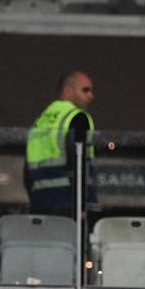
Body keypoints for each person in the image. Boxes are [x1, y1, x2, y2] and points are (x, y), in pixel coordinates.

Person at [25, 70, 96, 215]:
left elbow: (26, 169)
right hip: (68, 200)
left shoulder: (41, 120)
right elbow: (78, 163)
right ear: (68, 91)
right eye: (85, 90)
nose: (91, 96)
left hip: (39, 200)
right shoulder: (77, 117)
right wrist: (84, 203)